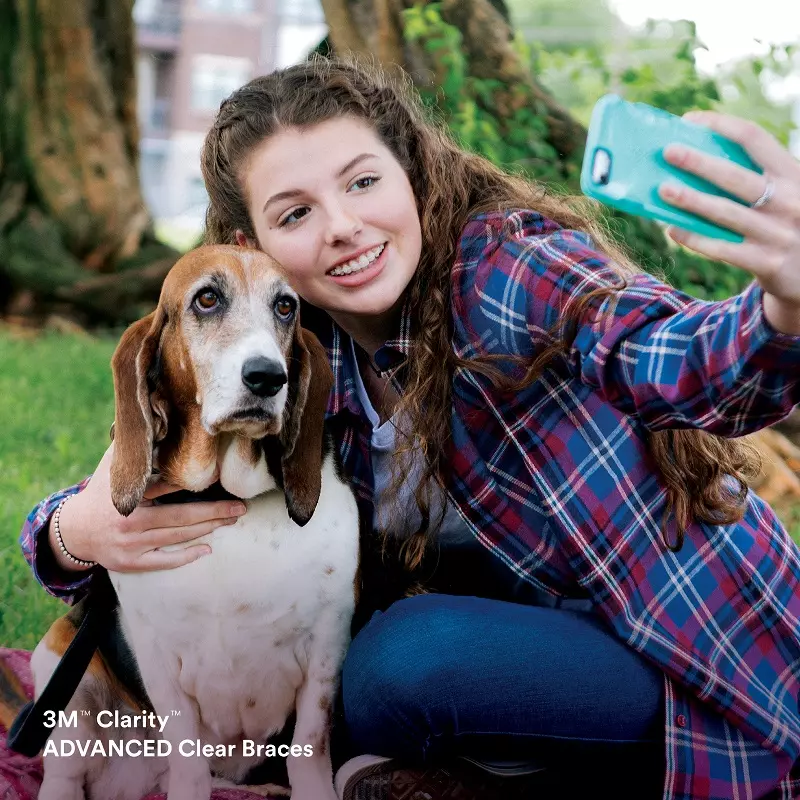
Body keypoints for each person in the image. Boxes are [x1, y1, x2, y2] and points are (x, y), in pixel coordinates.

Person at [17, 56, 800, 800]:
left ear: (413, 175)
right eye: (296, 212)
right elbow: (152, 481)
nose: (344, 227)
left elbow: (675, 359)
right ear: (253, 246)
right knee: (319, 683)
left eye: (363, 182)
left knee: (404, 660)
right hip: (512, 656)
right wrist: (71, 530)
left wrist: (781, 309)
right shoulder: (301, 367)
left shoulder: (504, 270)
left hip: (683, 656)